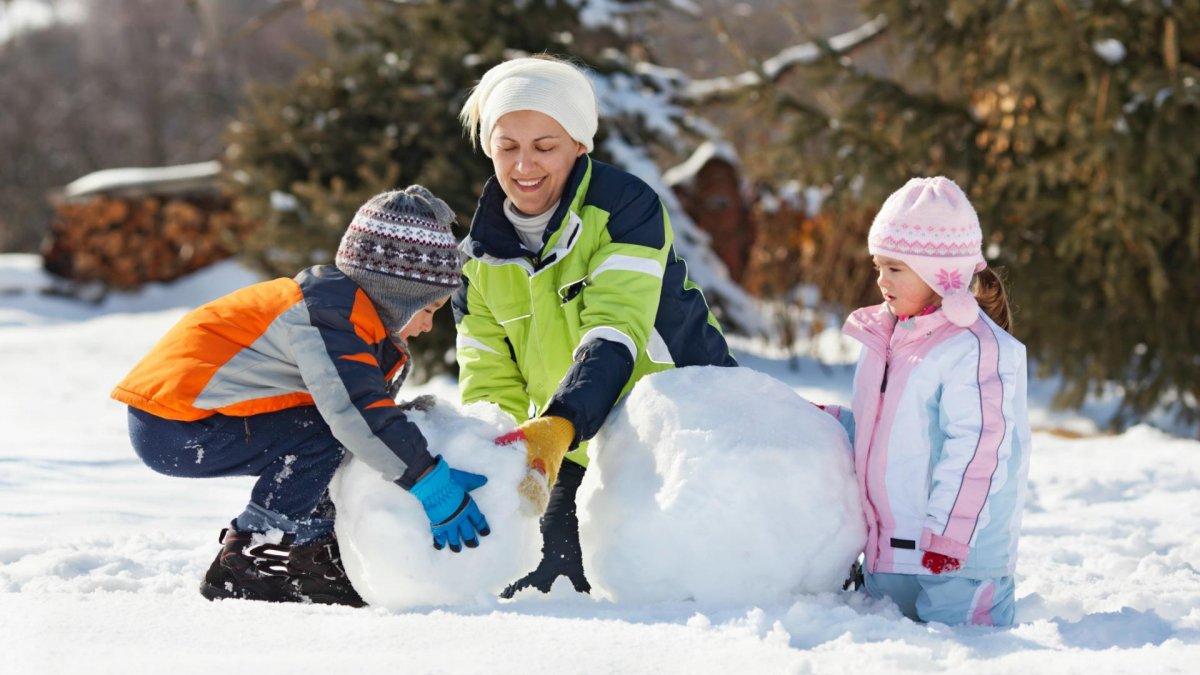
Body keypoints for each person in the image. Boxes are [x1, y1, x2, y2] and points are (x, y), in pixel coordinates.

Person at [111, 186, 491, 607]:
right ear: (395, 293)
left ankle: (308, 559)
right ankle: (253, 555)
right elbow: (357, 415)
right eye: (429, 310)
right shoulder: (326, 317)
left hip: (190, 416)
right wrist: (430, 482)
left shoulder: (347, 316)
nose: (427, 328)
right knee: (329, 432)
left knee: (329, 434)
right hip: (176, 423)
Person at [454, 55, 737, 598]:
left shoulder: (627, 209)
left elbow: (615, 332)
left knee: (685, 576)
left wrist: (559, 424)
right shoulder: (476, 261)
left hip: (682, 431)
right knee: (539, 581)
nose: (523, 166)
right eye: (507, 146)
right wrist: (505, 458)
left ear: (579, 145)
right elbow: (488, 383)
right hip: (573, 447)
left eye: (544, 146)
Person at [823, 176, 1032, 626]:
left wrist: (951, 537)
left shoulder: (973, 349)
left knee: (969, 661)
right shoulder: (885, 339)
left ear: (942, 273)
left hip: (958, 564)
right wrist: (821, 424)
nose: (881, 281)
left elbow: (980, 446)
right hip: (891, 556)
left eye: (895, 269)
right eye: (878, 266)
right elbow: (880, 431)